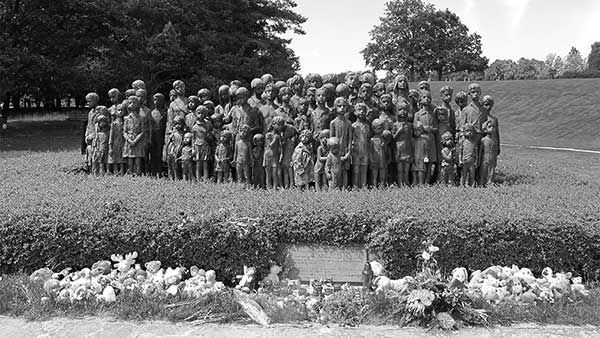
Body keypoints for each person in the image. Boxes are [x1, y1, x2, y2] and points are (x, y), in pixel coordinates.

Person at [413, 90, 438, 184]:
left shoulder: (432, 114)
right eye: (424, 97)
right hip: (421, 139)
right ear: (420, 99)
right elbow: (415, 128)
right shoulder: (417, 114)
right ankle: (421, 181)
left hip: (431, 139)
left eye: (428, 97)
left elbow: (436, 128)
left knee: (430, 161)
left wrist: (431, 129)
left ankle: (427, 180)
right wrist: (423, 128)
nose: (427, 99)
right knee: (421, 160)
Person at [329, 97, 353, 188]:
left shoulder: (348, 123)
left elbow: (350, 138)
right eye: (339, 106)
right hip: (336, 151)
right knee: (336, 169)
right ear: (335, 107)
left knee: (344, 170)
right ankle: (336, 187)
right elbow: (331, 139)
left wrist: (349, 151)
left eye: (344, 106)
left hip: (345, 149)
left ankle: (344, 188)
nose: (342, 108)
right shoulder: (333, 123)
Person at [123, 96, 146, 176]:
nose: (132, 104)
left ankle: (138, 173)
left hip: (137, 140)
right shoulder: (126, 118)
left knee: (137, 159)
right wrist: (129, 140)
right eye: (130, 103)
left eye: (134, 103)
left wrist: (135, 140)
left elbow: (142, 131)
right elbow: (124, 131)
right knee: (129, 158)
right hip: (129, 140)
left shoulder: (141, 118)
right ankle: (130, 172)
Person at [351, 103, 371, 188]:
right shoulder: (353, 126)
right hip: (356, 150)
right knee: (356, 170)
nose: (361, 112)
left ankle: (363, 186)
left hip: (365, 150)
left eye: (363, 110)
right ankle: (355, 186)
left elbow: (368, 138)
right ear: (355, 112)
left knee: (364, 169)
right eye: (359, 110)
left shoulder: (367, 126)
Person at [392, 107, 412, 186]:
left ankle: (406, 183)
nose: (403, 112)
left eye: (405, 110)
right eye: (400, 110)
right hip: (398, 148)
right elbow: (393, 138)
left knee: (406, 169)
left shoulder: (409, 125)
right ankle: (400, 183)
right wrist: (399, 131)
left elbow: (410, 138)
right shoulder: (395, 125)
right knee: (400, 169)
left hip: (407, 148)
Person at [478, 121, 498, 187]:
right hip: (484, 159)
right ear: (485, 129)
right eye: (489, 127)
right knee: (483, 172)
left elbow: (495, 152)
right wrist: (478, 161)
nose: (492, 128)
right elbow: (480, 151)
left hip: (492, 159)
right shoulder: (483, 140)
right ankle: (481, 183)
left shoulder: (495, 140)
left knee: (491, 172)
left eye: (493, 127)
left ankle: (490, 183)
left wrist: (495, 161)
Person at [108, 104, 126, 176]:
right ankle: (115, 171)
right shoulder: (114, 123)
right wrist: (110, 146)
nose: (120, 112)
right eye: (119, 110)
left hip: (123, 142)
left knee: (122, 157)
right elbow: (111, 136)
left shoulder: (126, 121)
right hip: (115, 142)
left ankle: (122, 171)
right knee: (115, 157)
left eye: (122, 110)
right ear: (116, 111)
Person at [369, 119, 387, 187]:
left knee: (382, 175)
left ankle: (382, 186)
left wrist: (384, 146)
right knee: (374, 175)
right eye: (379, 128)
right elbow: (370, 151)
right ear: (373, 129)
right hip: (375, 160)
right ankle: (374, 186)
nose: (381, 130)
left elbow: (386, 150)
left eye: (382, 128)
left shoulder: (383, 139)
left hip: (382, 160)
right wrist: (371, 160)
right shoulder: (372, 140)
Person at [412, 121, 429, 186]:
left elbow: (426, 149)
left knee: (421, 170)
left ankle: (421, 182)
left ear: (422, 130)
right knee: (414, 170)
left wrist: (426, 157)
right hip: (415, 157)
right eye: (415, 130)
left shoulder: (424, 140)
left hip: (421, 157)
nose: (416, 132)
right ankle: (414, 181)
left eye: (418, 130)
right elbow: (412, 149)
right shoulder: (413, 140)